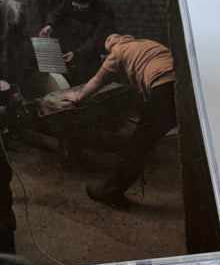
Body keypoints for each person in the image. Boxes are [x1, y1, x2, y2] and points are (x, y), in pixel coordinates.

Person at [60, 34, 177, 208]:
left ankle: (110, 192)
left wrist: (79, 96)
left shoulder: (117, 52)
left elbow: (98, 80)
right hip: (184, 83)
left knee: (138, 144)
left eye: (103, 59)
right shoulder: (142, 44)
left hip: (164, 89)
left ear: (106, 53)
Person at [38, 0, 115, 85]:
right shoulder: (69, 2)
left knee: (89, 79)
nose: (77, 8)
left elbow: (95, 39)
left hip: (90, 52)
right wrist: (49, 25)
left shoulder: (103, 11)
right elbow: (56, 13)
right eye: (75, 5)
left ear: (91, 1)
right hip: (73, 47)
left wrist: (77, 53)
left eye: (82, 6)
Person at [0, 0, 36, 95]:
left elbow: (21, 43)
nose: (11, 28)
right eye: (9, 25)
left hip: (1, 28)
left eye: (13, 25)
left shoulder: (19, 13)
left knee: (14, 54)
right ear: (5, 20)